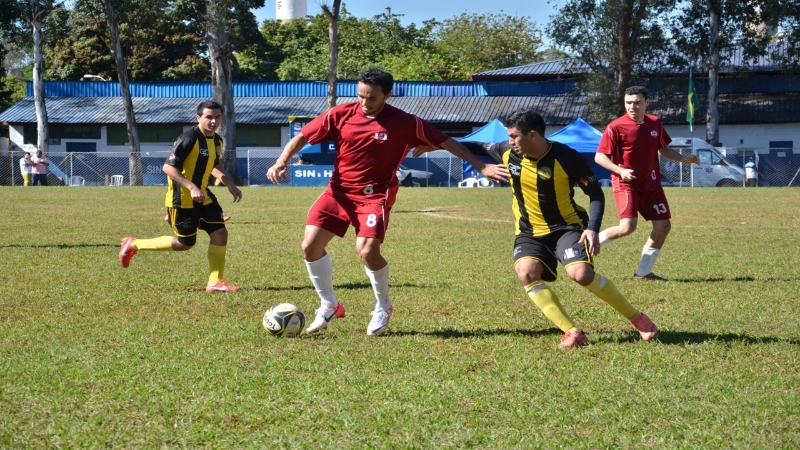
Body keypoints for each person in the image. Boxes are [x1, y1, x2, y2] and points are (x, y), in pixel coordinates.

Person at [266, 68, 509, 336]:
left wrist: (482, 166)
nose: (364, 103)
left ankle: (383, 306)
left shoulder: (406, 122)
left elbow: (448, 142)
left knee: (368, 251)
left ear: (387, 95)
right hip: (337, 192)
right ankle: (329, 304)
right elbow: (303, 136)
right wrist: (281, 160)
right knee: (310, 247)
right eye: (360, 96)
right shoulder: (340, 113)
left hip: (375, 194)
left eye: (372, 98)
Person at [433, 109, 658, 348]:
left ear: (533, 135)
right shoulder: (508, 151)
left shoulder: (567, 157)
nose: (509, 141)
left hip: (567, 227)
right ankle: (572, 332)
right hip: (529, 231)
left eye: (514, 136)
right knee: (526, 273)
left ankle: (637, 318)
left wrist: (592, 228)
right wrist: (440, 145)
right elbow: (477, 145)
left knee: (581, 275)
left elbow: (595, 194)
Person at [119, 100, 243, 292]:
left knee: (220, 233)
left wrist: (230, 183)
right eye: (209, 117)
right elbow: (168, 167)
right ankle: (133, 244)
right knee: (185, 243)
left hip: (205, 196)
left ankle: (215, 282)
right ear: (198, 118)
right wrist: (192, 187)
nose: (213, 121)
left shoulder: (217, 141)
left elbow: (214, 166)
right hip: (182, 198)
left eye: (217, 117)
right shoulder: (189, 138)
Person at [594, 86, 699, 281]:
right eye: (628, 103)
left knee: (663, 226)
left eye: (637, 102)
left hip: (651, 185)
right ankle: (587, 245)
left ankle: (643, 272)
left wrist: (685, 159)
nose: (632, 106)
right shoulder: (615, 126)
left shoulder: (654, 123)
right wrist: (620, 171)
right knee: (627, 227)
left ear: (646, 103)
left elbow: (663, 149)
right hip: (626, 184)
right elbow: (599, 157)